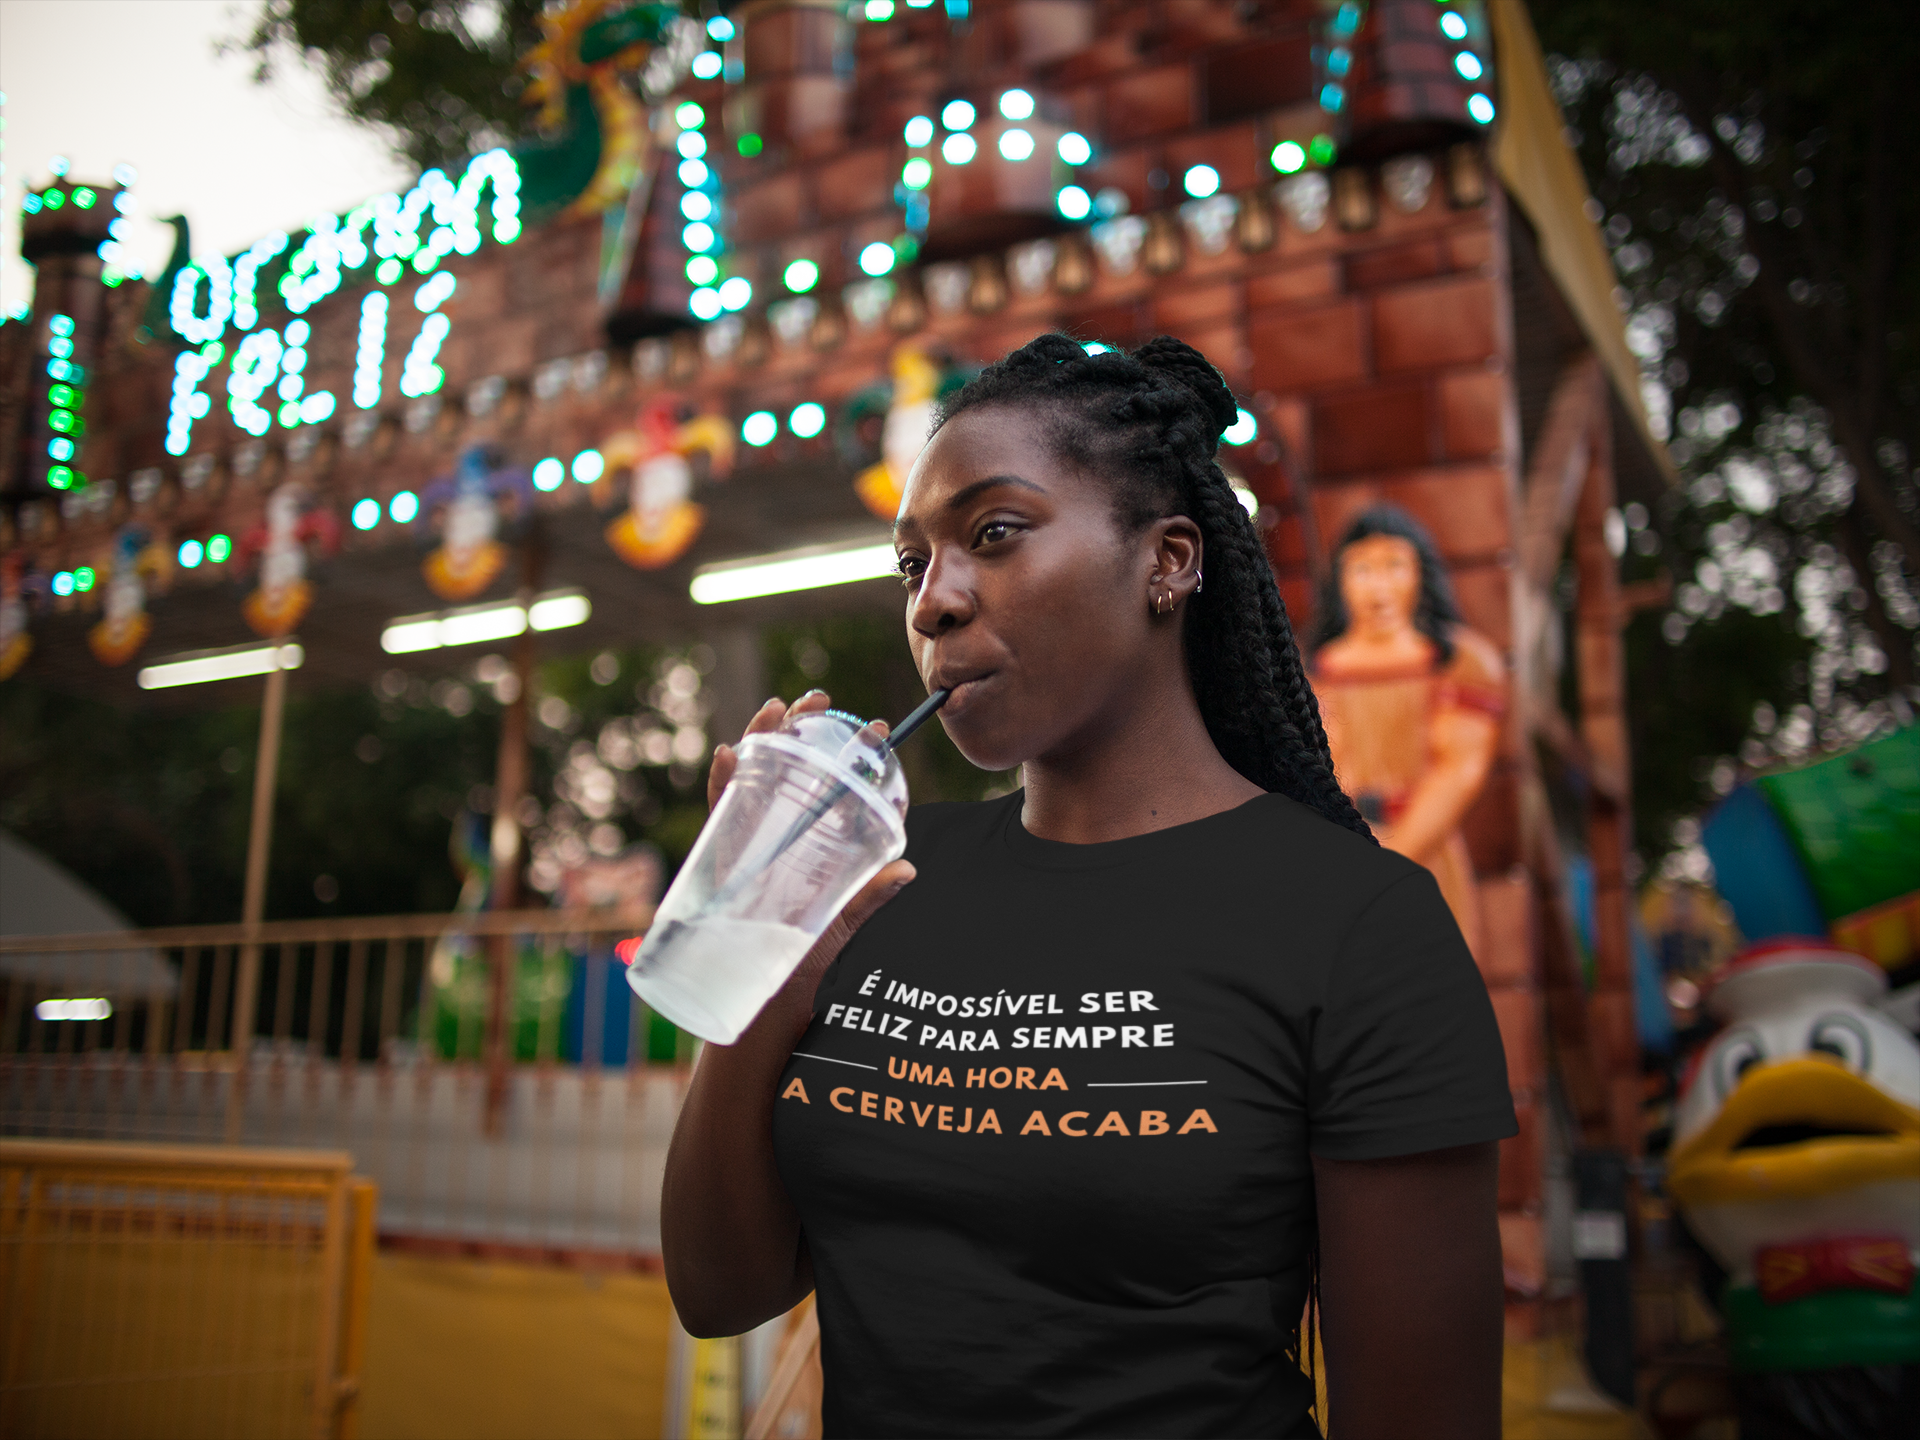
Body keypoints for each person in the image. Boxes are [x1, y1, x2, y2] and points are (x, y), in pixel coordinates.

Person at [662, 334, 1515, 1438]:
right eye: (912, 564)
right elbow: (719, 1290)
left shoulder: (1359, 925)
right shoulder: (884, 883)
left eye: (994, 534)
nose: (934, 602)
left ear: (1167, 561)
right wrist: (764, 958)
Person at [1307, 507, 1507, 959]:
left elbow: (1457, 773)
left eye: (1394, 565)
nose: (1378, 587)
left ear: (1421, 572)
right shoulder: (1309, 674)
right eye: (1362, 569)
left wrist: (1392, 856)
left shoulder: (1460, 664)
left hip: (1421, 858)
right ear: (1340, 580)